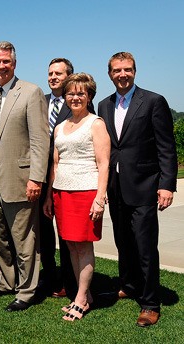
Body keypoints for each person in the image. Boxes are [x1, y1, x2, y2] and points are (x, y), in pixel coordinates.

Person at [98, 52, 177, 327]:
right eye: (117, 70)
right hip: (116, 187)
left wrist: (166, 185)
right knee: (123, 242)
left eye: (128, 69)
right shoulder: (104, 105)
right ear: (110, 74)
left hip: (144, 186)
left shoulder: (153, 101)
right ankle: (129, 285)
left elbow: (166, 147)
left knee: (145, 247)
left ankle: (150, 302)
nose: (123, 74)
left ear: (135, 71)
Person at [0, 41, 49, 311]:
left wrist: (36, 178)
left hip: (20, 178)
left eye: (6, 62)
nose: (1, 66)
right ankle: (6, 282)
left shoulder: (31, 92)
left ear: (14, 64)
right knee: (0, 236)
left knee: (24, 237)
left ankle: (26, 290)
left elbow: (40, 140)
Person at [44, 73, 110, 321]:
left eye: (81, 93)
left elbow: (104, 164)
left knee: (83, 245)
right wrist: (50, 195)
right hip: (62, 193)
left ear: (89, 96)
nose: (75, 97)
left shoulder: (96, 124)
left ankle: (81, 300)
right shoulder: (60, 127)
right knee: (70, 245)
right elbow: (55, 163)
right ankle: (86, 294)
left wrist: (99, 198)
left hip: (86, 192)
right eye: (71, 93)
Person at [39, 58, 78, 299]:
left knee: (65, 233)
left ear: (69, 77)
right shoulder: (39, 102)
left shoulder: (78, 101)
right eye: (50, 73)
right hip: (38, 177)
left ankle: (68, 279)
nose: (53, 77)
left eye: (59, 74)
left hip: (66, 176)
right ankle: (50, 276)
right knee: (43, 233)